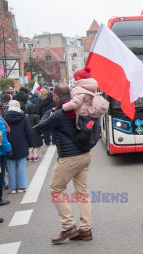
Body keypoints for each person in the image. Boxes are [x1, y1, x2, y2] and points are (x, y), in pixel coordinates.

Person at [37, 83, 93, 243]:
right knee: (82, 191)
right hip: (85, 154)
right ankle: (86, 230)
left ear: (56, 96)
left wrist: (50, 111)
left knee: (56, 189)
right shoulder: (80, 107)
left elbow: (41, 127)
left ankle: (69, 226)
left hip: (69, 157)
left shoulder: (59, 113)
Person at [4, 100, 33, 194]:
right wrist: (30, 144)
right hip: (21, 143)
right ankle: (22, 186)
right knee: (21, 166)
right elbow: (28, 131)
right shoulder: (23, 117)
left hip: (8, 144)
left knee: (10, 167)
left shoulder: (4, 117)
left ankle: (12, 187)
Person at [0, 114, 13, 206]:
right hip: (0, 152)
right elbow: (2, 135)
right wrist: (8, 149)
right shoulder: (0, 120)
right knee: (1, 175)